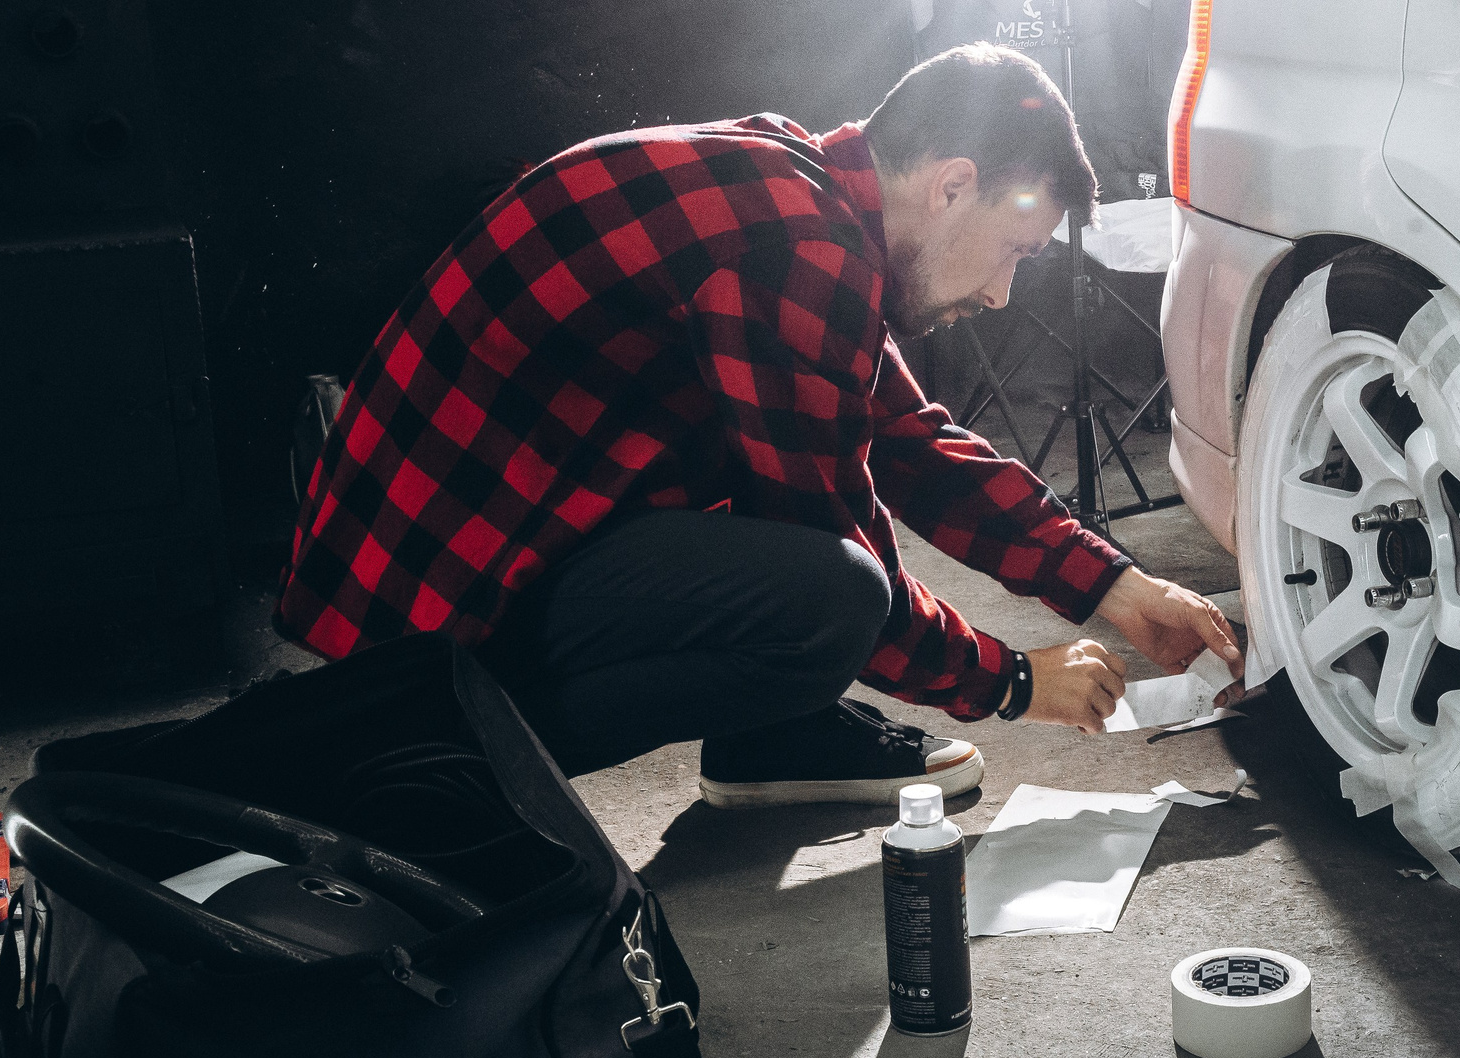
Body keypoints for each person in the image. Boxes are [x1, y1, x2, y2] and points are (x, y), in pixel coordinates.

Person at [276, 43, 1239, 808]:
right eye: (1014, 250)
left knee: (807, 551)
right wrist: (1011, 684)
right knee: (833, 596)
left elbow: (909, 441)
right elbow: (828, 523)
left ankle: (769, 734)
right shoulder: (797, 244)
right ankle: (454, 769)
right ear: (951, 185)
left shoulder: (795, 187)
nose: (1000, 292)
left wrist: (1114, 588)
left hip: (436, 564)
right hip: (424, 615)